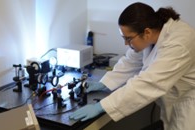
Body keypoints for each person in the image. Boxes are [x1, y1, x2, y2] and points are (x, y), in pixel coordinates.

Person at [69, 2, 195, 130]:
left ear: (146, 32)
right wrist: (104, 83)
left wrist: (102, 106)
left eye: (128, 39)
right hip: (172, 102)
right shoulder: (154, 33)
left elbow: (147, 84)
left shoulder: (178, 44)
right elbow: (131, 61)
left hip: (188, 109)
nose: (125, 43)